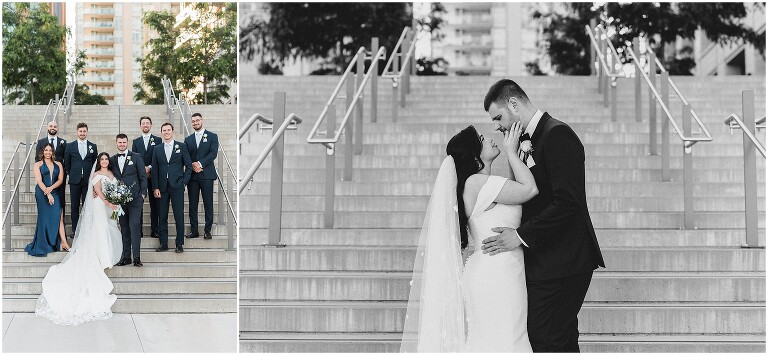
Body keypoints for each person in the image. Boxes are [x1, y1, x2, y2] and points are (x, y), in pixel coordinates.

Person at [482, 79, 605, 352]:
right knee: (554, 339)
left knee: (547, 339)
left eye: (498, 117)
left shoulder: (558, 134)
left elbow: (568, 202)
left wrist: (521, 236)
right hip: (546, 260)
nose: (497, 126)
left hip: (565, 260)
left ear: (514, 104)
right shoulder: (527, 140)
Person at [401, 124, 538, 352]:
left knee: (497, 340)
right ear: (475, 155)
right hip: (497, 273)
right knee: (507, 341)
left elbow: (515, 190)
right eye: (482, 139)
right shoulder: (477, 182)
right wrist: (512, 152)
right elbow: (529, 190)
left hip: (493, 268)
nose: (490, 140)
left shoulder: (479, 184)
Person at [35, 152, 123, 326]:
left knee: (111, 229)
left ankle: (108, 255)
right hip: (101, 207)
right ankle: (102, 258)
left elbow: (115, 190)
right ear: (98, 162)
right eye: (102, 159)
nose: (104, 161)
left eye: (106, 159)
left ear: (109, 162)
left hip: (111, 209)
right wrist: (111, 204)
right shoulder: (97, 175)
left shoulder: (112, 174)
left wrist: (117, 202)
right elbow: (99, 192)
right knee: (101, 229)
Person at [151, 122, 192, 253]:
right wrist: (155, 187)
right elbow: (155, 170)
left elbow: (189, 166)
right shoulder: (157, 149)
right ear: (161, 132)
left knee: (178, 215)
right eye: (164, 130)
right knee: (162, 216)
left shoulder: (182, 146)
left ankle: (179, 244)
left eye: (168, 130)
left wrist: (183, 182)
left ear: (172, 131)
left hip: (177, 186)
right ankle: (164, 244)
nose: (166, 132)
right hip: (162, 187)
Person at [26, 143, 69, 256]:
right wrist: (47, 193)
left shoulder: (59, 164)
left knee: (59, 216)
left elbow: (60, 180)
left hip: (54, 191)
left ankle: (64, 242)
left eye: (50, 150)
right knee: (44, 218)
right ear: (42, 152)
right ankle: (44, 243)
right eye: (46, 150)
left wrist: (51, 189)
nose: (48, 152)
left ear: (53, 152)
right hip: (42, 192)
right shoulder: (38, 164)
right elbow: (39, 181)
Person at [112, 134, 148, 267]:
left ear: (127, 143)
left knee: (134, 226)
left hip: (135, 199)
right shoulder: (112, 160)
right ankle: (126, 256)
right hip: (120, 201)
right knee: (124, 228)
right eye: (119, 142)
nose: (122, 144)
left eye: (124, 142)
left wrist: (143, 194)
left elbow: (143, 176)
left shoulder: (136, 157)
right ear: (116, 143)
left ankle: (136, 257)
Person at [184, 112, 219, 240]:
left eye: (197, 120)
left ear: (202, 120)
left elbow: (213, 153)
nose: (195, 123)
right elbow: (186, 156)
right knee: (193, 204)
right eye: (193, 121)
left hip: (207, 175)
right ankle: (194, 230)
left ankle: (207, 230)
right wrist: (193, 165)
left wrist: (200, 163)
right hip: (192, 177)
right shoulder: (188, 140)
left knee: (208, 203)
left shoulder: (212, 136)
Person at [63, 122, 98, 233]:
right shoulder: (70, 146)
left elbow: (95, 164)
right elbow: (66, 163)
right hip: (75, 181)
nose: (82, 133)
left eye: (84, 131)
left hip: (88, 181)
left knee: (87, 206)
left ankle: (86, 229)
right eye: (80, 131)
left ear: (87, 132)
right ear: (77, 132)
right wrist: (72, 173)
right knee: (74, 206)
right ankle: (74, 229)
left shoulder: (93, 146)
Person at [132, 116, 161, 239]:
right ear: (140, 126)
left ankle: (155, 230)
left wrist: (149, 167)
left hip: (154, 176)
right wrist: (142, 169)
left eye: (147, 123)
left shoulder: (158, 140)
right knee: (139, 204)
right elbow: (134, 159)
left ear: (151, 125)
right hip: (140, 178)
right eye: (143, 123)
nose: (145, 125)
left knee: (155, 205)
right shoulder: (136, 142)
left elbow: (160, 157)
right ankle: (139, 230)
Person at [35, 121, 67, 224]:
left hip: (58, 177)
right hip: (45, 178)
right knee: (45, 205)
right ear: (47, 127)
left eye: (55, 126)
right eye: (51, 126)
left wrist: (61, 173)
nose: (53, 128)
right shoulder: (41, 142)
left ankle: (60, 223)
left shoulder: (63, 142)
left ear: (57, 128)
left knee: (60, 201)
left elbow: (66, 159)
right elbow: (37, 159)